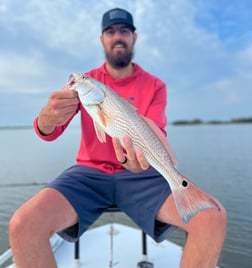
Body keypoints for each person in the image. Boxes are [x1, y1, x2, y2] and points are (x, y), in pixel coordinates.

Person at [9, 8, 226, 268]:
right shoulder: (89, 85)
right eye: (110, 32)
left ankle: (178, 186)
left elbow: (154, 130)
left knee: (212, 217)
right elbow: (49, 132)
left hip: (141, 174)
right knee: (22, 225)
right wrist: (47, 117)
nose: (117, 36)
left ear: (134, 37)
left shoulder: (155, 85)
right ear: (102, 39)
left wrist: (150, 162)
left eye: (124, 30)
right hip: (88, 173)